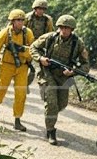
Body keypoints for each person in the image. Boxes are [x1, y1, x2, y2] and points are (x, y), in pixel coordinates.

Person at [30, 15, 90, 145]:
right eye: (62, 27)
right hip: (48, 73)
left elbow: (85, 65)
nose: (64, 30)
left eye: (67, 28)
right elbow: (33, 47)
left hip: (64, 76)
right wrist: (40, 59)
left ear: (72, 29)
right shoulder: (50, 37)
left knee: (61, 104)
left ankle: (50, 113)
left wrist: (73, 72)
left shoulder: (77, 43)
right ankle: (51, 131)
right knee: (52, 103)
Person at [0, 9, 34, 132]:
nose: (20, 22)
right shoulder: (5, 33)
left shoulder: (28, 33)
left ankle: (17, 120)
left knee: (21, 94)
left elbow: (33, 50)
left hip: (22, 66)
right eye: (17, 20)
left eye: (22, 20)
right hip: (7, 65)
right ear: (12, 21)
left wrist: (22, 50)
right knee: (1, 90)